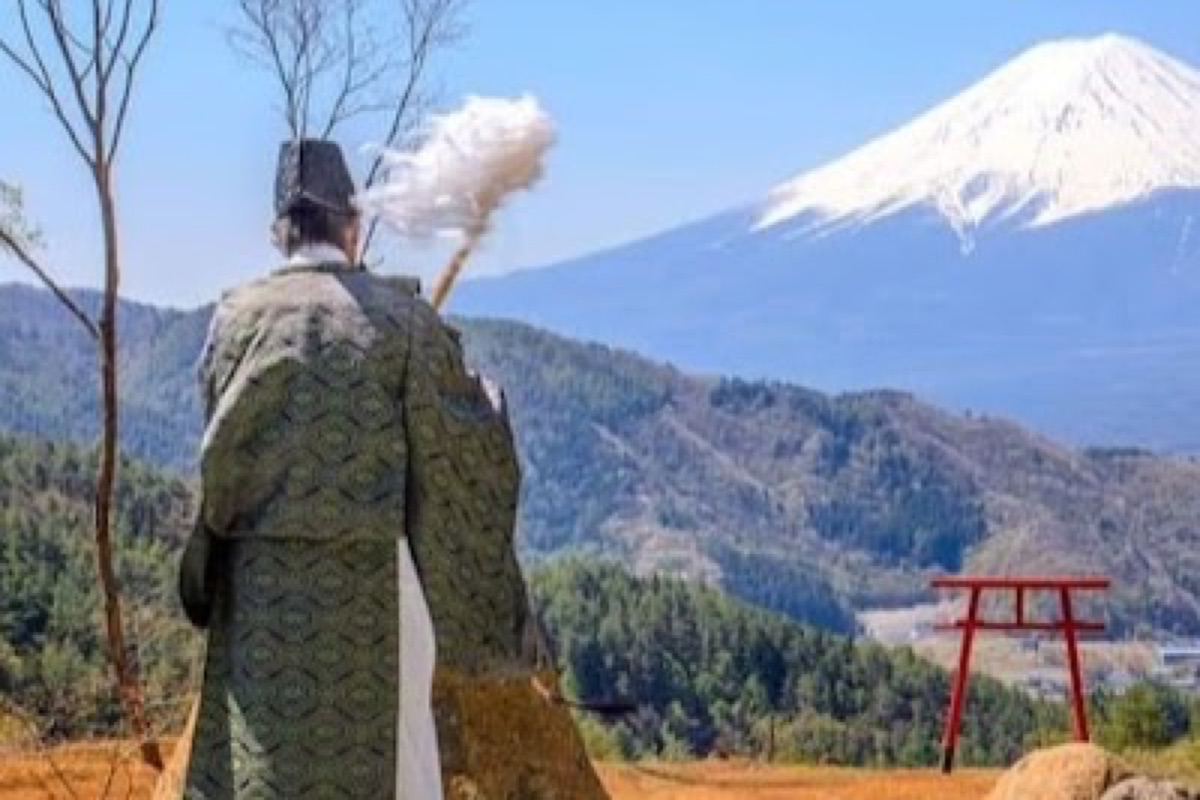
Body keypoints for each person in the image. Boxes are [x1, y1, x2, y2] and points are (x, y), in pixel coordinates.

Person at [176, 139, 522, 799]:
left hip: (259, 590)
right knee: (394, 767)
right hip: (375, 585)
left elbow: (217, 445)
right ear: (352, 226)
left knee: (263, 770)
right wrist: (488, 400)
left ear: (282, 233)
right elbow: (465, 442)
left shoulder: (234, 318)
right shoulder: (403, 322)